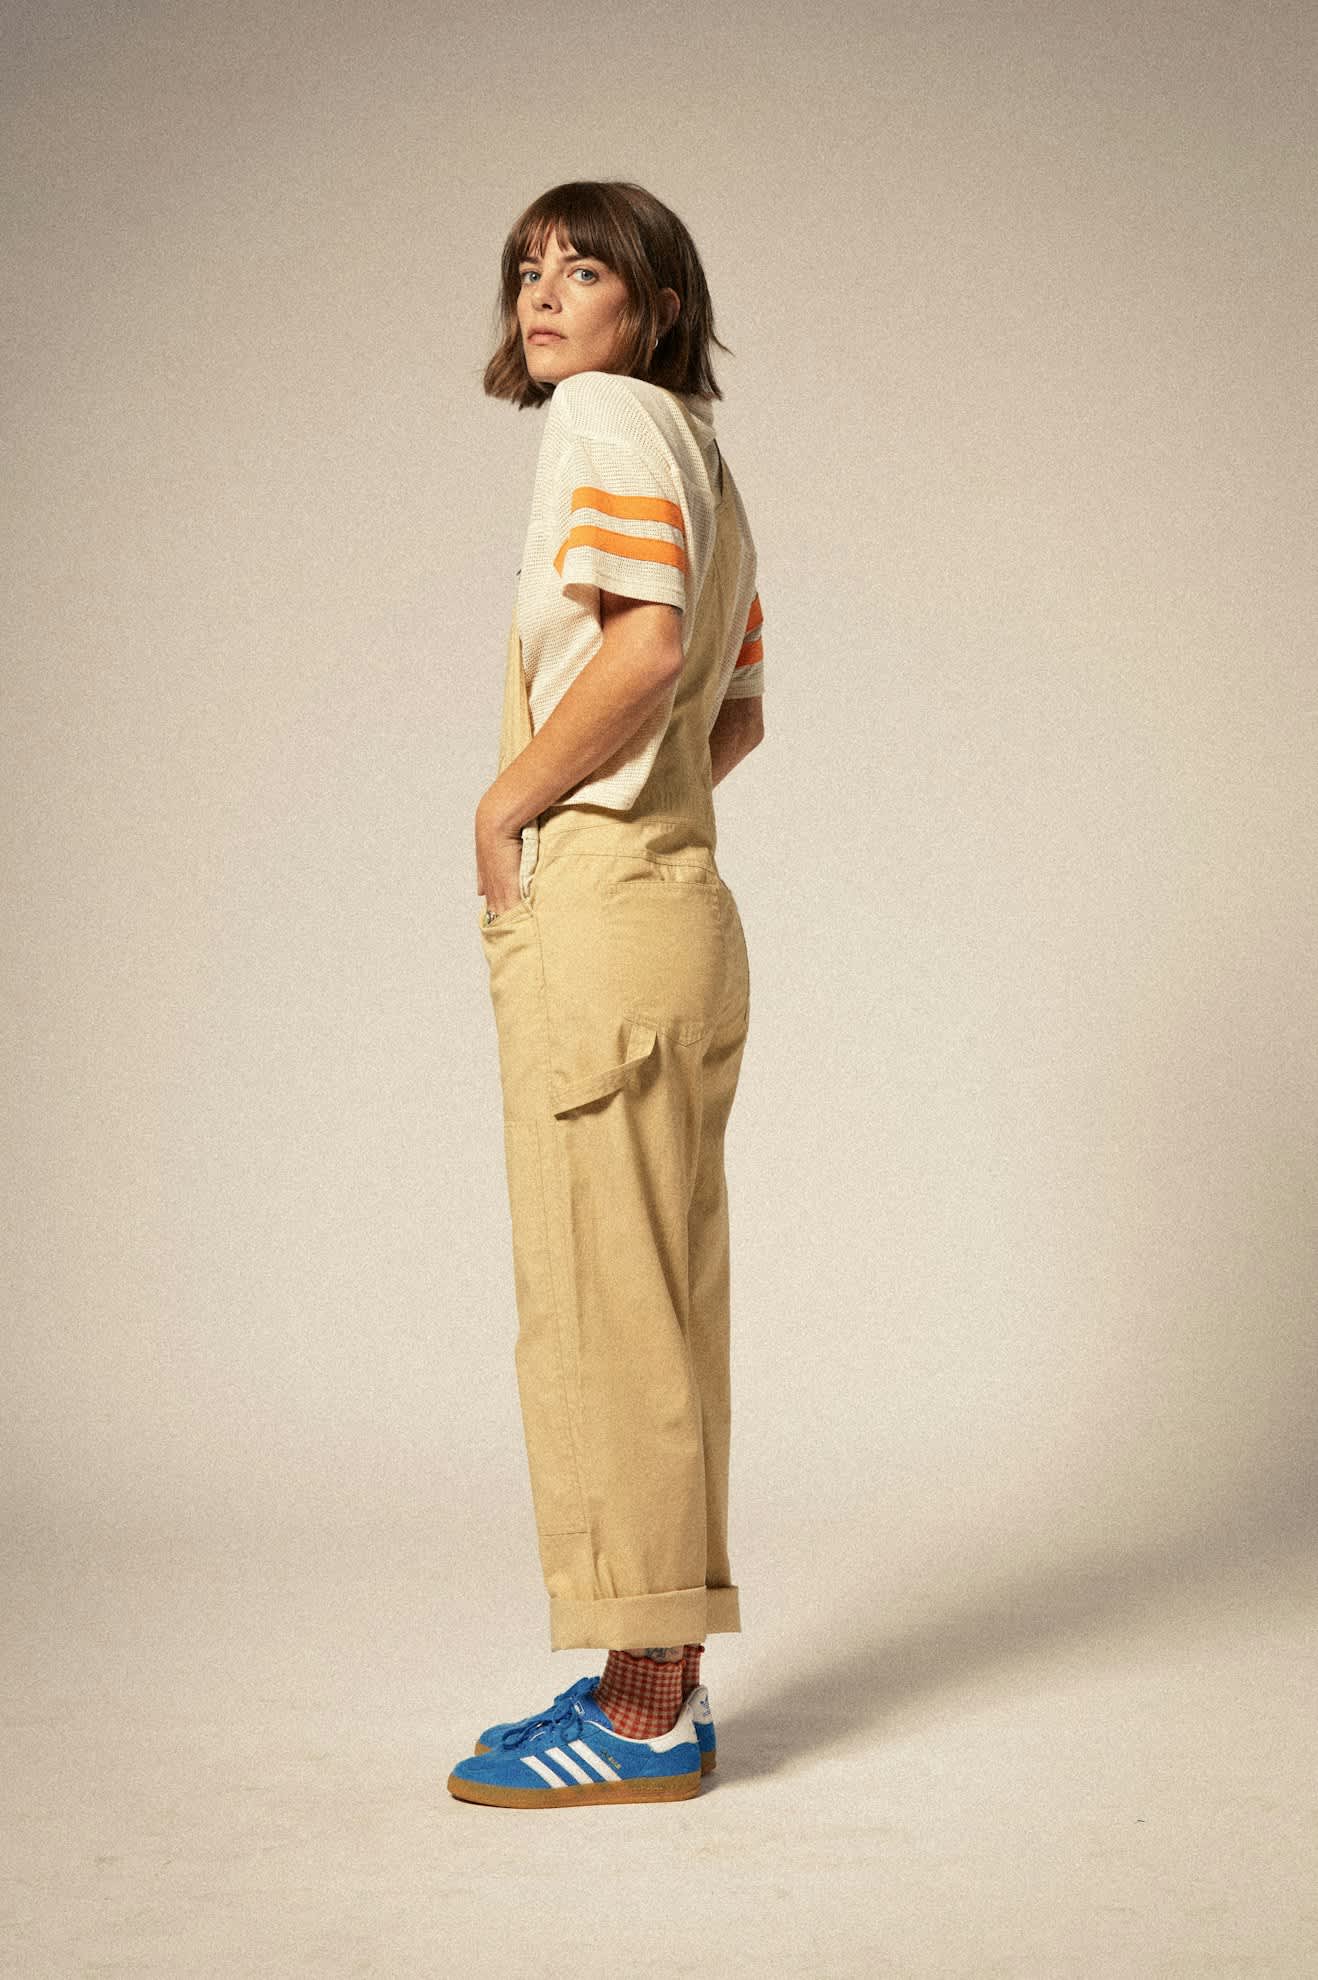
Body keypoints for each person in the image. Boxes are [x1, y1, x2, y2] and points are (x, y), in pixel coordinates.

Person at [448, 180, 765, 1809]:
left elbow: (643, 654)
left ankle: (640, 1722)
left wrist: (513, 811)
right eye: (528, 268)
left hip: (605, 919)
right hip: (679, 913)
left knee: (602, 1312)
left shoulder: (601, 418)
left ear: (654, 301)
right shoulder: (700, 456)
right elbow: (734, 711)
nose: (544, 293)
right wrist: (645, 813)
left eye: (583, 266)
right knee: (658, 1311)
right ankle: (655, 1680)